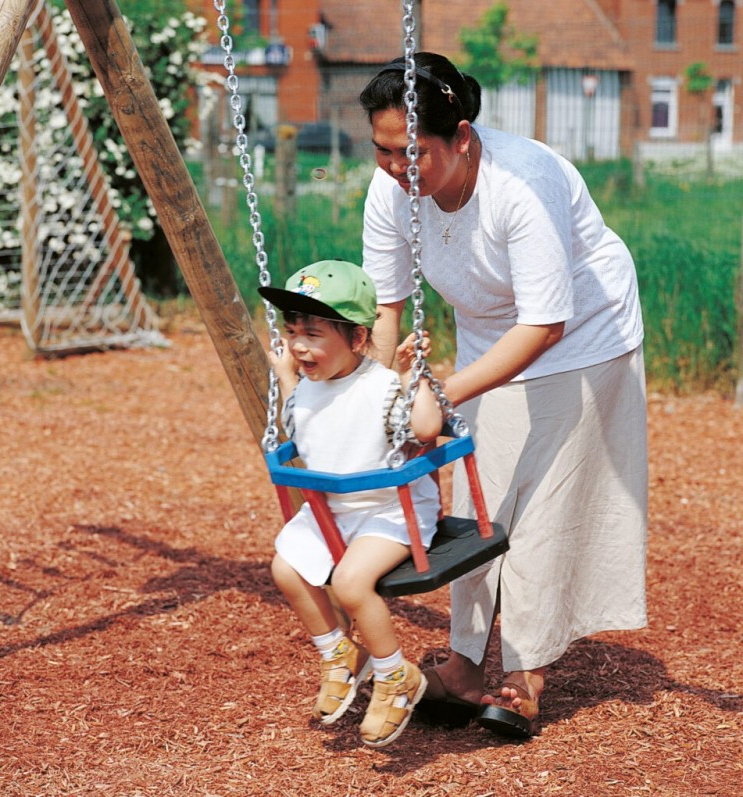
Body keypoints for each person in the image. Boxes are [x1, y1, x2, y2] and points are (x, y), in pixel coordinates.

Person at [358, 52, 648, 738]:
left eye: (412, 153)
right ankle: (462, 662)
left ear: (461, 137)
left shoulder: (525, 182)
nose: (396, 168)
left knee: (542, 493)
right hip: (492, 329)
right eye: (381, 150)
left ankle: (523, 674)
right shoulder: (390, 189)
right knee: (478, 493)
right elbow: (386, 309)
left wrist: (443, 390)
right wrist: (377, 401)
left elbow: (546, 322)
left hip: (584, 331)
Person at [259, 259, 444, 748]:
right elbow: (299, 427)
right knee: (285, 569)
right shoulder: (306, 388)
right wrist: (283, 376)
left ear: (358, 340)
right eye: (293, 331)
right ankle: (341, 654)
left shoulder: (381, 386)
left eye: (314, 334)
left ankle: (393, 675)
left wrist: (416, 375)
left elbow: (425, 430)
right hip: (336, 510)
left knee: (350, 582)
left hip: (389, 508)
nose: (298, 345)